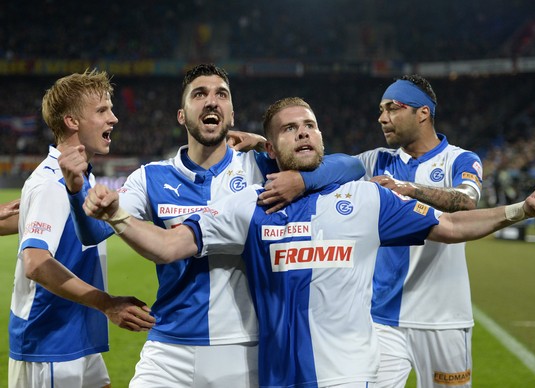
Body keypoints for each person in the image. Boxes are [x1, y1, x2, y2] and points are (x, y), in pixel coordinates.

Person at [80, 97, 535, 388]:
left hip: (349, 378)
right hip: (276, 379)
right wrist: (118, 215)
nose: (303, 131)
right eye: (289, 128)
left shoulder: (367, 199)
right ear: (270, 149)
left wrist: (520, 211)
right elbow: (168, 247)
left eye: (310, 124)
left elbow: (452, 229)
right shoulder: (249, 206)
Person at [59, 64, 364, 387]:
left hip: (244, 347)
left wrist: (296, 174)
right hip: (169, 348)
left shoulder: (262, 169)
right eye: (199, 94)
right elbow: (93, 232)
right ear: (181, 115)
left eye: (221, 94)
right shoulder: (151, 178)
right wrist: (77, 191)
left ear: (231, 115)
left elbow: (351, 166)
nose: (211, 101)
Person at [8, 69, 155, 388]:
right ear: (72, 121)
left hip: (74, 335)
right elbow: (35, 262)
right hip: (50, 345)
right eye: (102, 110)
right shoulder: (52, 183)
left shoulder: (79, 178)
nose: (113, 118)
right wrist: (107, 303)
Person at [355, 75, 482, 387]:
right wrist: (264, 146)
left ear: (422, 113)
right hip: (383, 319)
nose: (382, 118)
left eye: (392, 108)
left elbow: (465, 202)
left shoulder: (460, 159)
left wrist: (407, 188)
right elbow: (323, 168)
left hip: (444, 321)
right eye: (380, 110)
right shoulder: (376, 161)